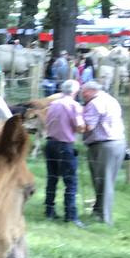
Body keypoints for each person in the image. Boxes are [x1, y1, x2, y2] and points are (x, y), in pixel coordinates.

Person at [80, 80, 126, 225]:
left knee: (103, 182)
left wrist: (73, 123)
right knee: (105, 181)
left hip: (103, 145)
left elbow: (89, 126)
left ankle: (104, 218)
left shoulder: (94, 103)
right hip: (118, 143)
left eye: (83, 93)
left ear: (88, 91)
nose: (83, 96)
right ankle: (98, 211)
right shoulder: (111, 99)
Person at [43, 79, 85, 227]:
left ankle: (49, 210)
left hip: (50, 143)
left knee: (52, 178)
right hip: (65, 144)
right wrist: (82, 128)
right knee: (70, 181)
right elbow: (80, 126)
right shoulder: (74, 106)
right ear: (75, 91)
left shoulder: (53, 104)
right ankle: (71, 215)